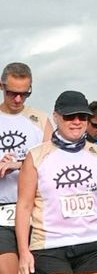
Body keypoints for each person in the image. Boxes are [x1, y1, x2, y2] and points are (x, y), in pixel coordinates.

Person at [16, 90, 97, 274]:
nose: (76, 122)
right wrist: (24, 252)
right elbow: (24, 206)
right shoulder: (36, 155)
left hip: (93, 243)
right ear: (56, 116)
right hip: (50, 247)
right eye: (69, 116)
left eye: (82, 117)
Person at [0, 62, 52, 274]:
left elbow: (52, 162)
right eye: (12, 93)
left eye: (24, 93)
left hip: (36, 212)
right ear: (2, 87)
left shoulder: (39, 119)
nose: (18, 99)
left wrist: (20, 165)